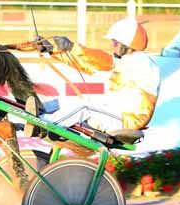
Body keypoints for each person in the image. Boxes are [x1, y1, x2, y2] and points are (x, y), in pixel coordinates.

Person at [25, 18, 161, 137]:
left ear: (126, 45)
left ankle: (41, 124)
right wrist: (53, 51)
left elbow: (104, 61)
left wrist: (72, 47)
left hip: (127, 119)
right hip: (115, 113)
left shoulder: (141, 62)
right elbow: (88, 66)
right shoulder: (126, 63)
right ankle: (31, 112)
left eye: (114, 43)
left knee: (85, 106)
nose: (111, 46)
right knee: (70, 100)